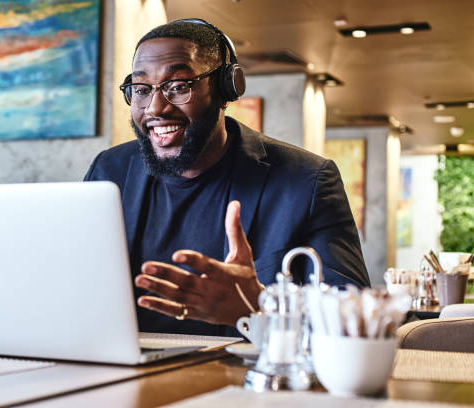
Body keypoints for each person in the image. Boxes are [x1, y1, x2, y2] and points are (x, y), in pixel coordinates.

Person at [84, 19, 369, 337]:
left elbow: (353, 324)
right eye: (141, 89)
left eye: (178, 86)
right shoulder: (110, 171)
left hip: (242, 380)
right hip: (122, 373)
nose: (156, 107)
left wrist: (255, 311)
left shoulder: (307, 182)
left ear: (225, 89)